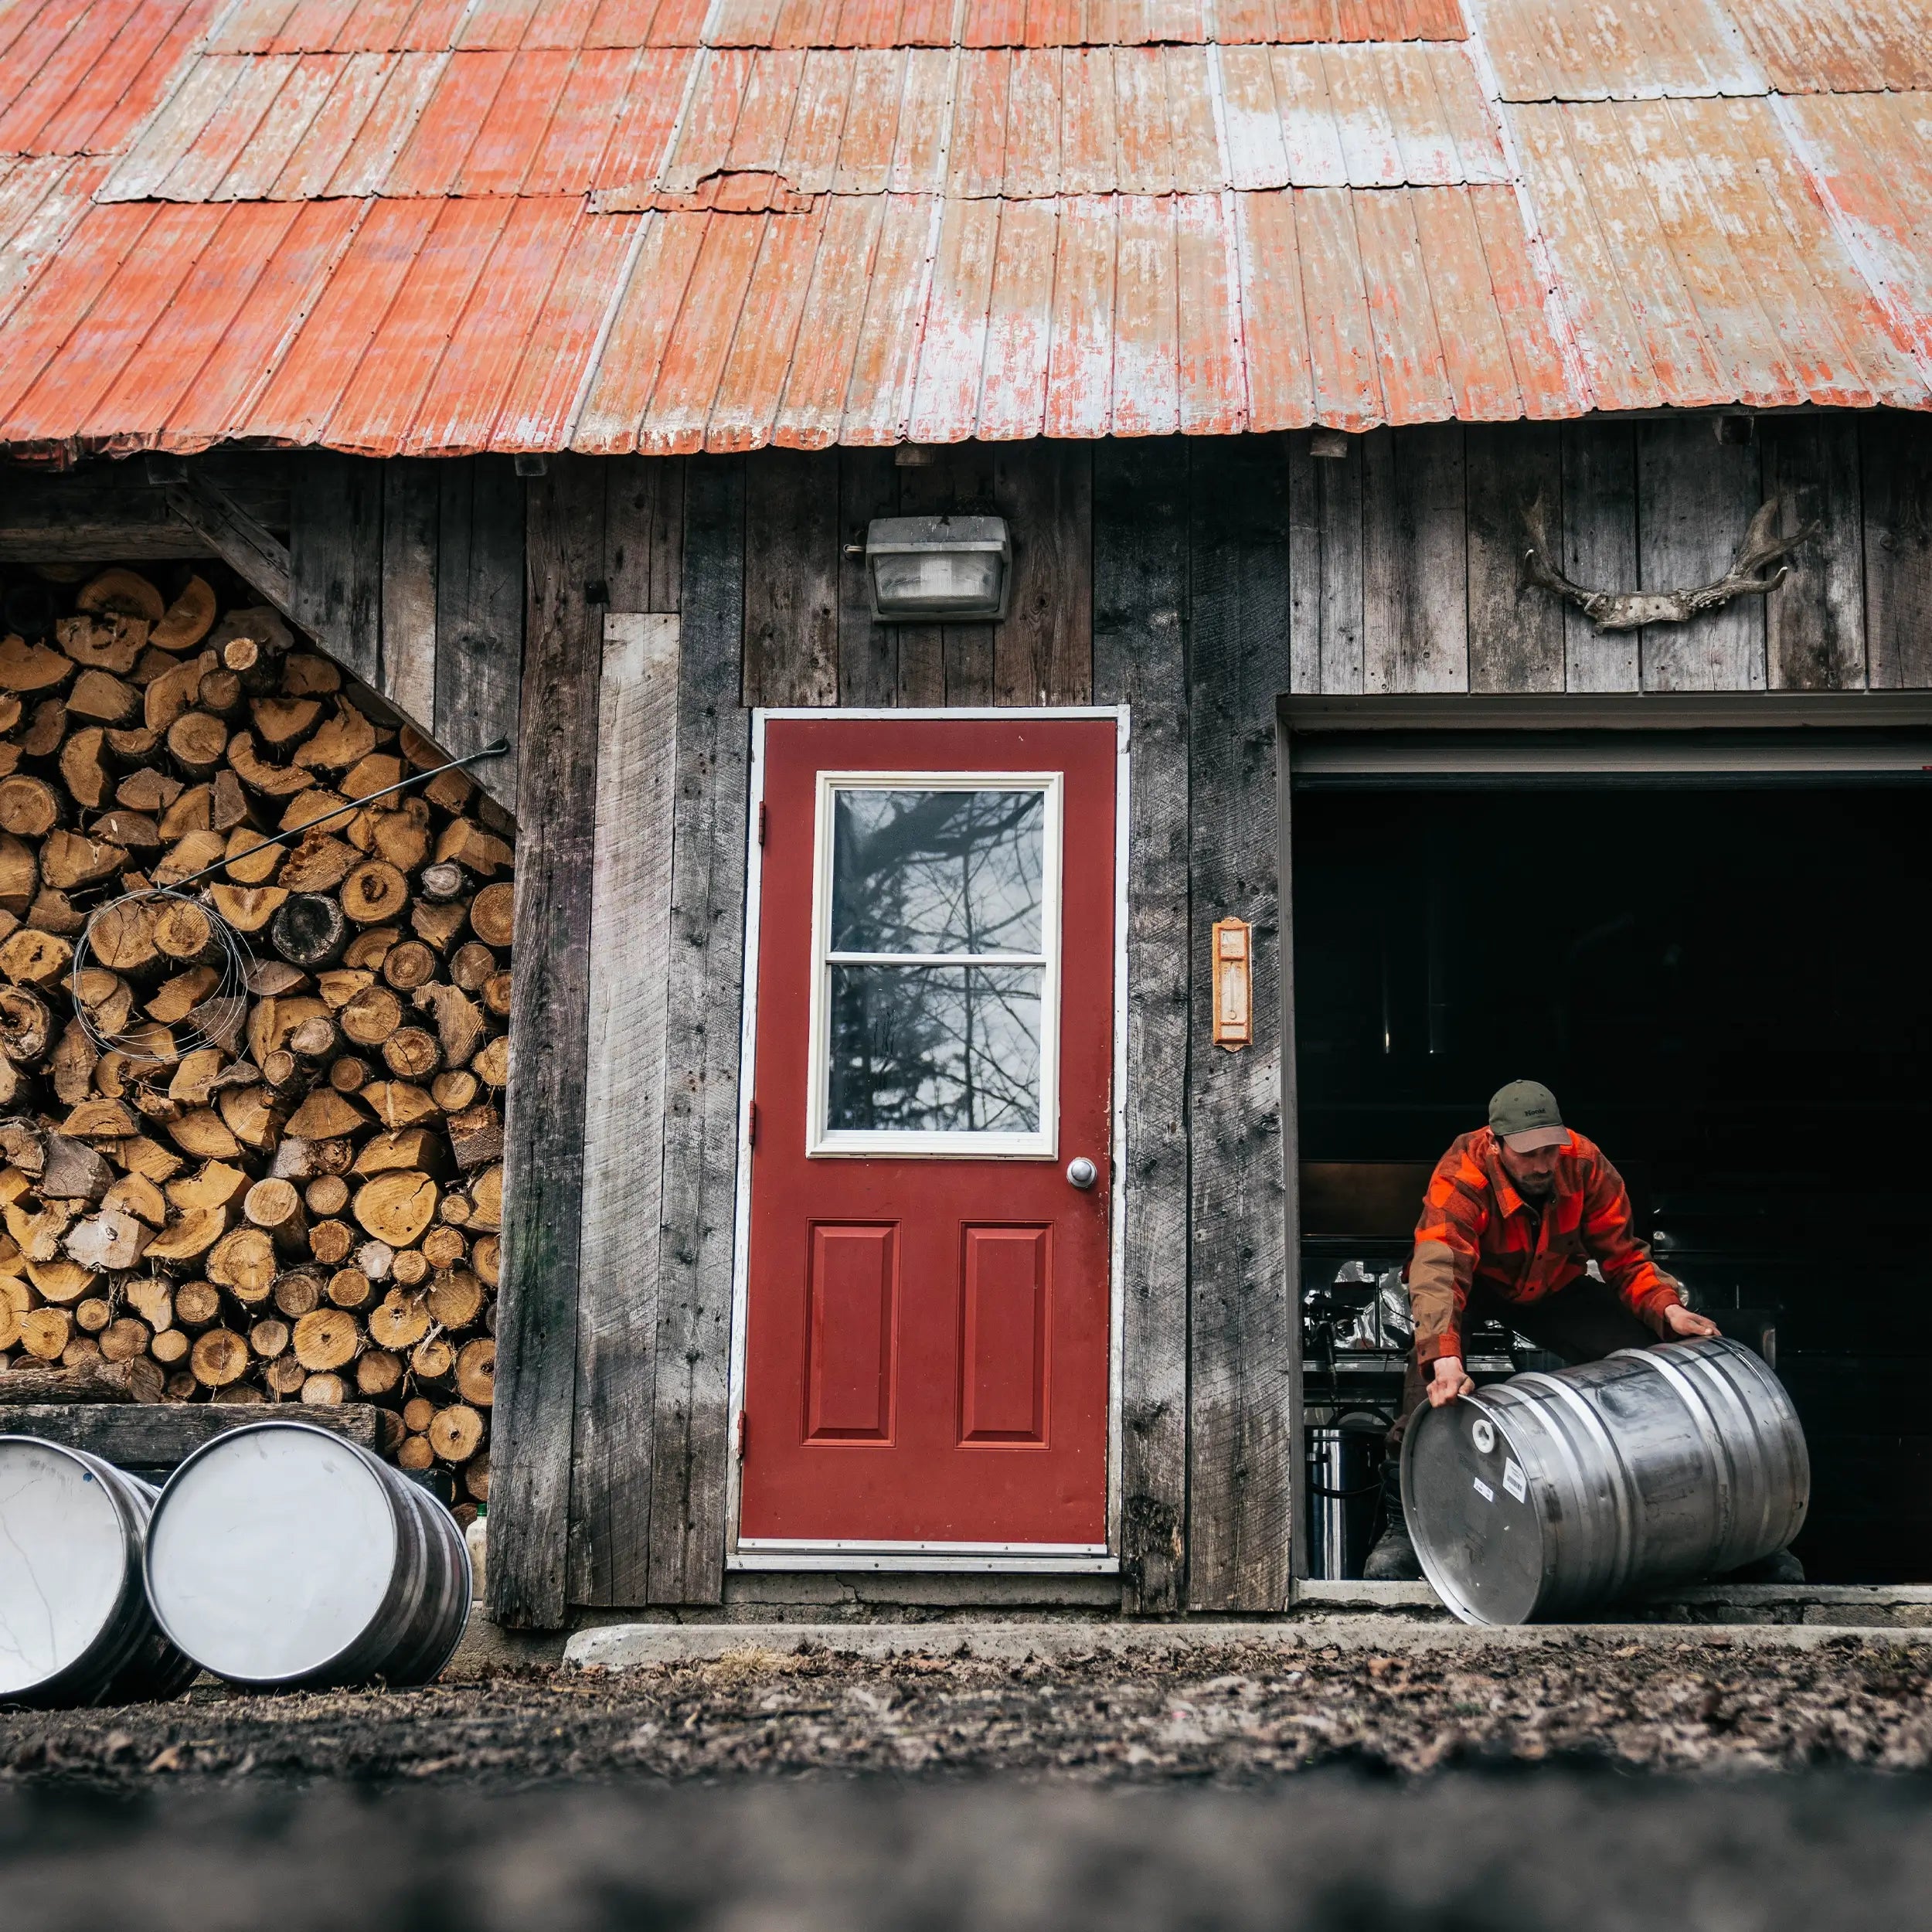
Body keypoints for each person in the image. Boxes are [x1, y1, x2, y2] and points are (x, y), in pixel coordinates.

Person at [1362, 1079, 1804, 1584]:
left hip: (1553, 1284)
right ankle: (1404, 1531)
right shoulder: (1464, 1169)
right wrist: (1445, 1358)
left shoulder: (1586, 1164)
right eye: (1529, 1154)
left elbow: (1624, 1258)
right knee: (1429, 1400)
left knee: (1656, 1373)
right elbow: (1439, 1268)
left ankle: (1744, 1537)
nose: (1544, 1163)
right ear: (1496, 1142)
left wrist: (1668, 1310)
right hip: (1474, 1284)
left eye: (1551, 1148)